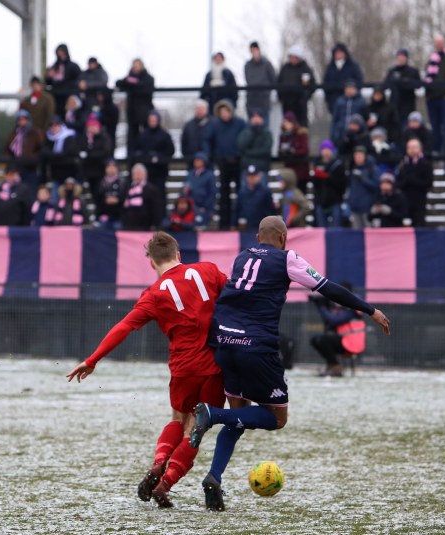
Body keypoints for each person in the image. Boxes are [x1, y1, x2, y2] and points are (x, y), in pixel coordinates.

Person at [189, 216, 390, 511]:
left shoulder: (242, 257)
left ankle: (214, 477)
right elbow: (328, 288)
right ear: (283, 237)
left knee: (240, 417)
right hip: (256, 348)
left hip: (225, 343)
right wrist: (369, 309)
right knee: (276, 419)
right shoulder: (288, 259)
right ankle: (212, 415)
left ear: (259, 237)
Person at [66, 232, 228, 508]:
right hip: (215, 366)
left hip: (183, 368)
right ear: (179, 254)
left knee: (178, 419)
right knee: (196, 429)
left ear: (152, 263)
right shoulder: (208, 270)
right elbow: (237, 295)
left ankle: (157, 465)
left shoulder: (153, 294)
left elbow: (124, 327)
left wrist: (92, 359)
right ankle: (166, 484)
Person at [201, 99, 246, 229]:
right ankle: (224, 223)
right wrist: (211, 156)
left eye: (226, 111)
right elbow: (207, 141)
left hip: (237, 162)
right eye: (222, 112)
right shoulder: (215, 125)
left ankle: (238, 220)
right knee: (224, 193)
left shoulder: (240, 123)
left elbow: (245, 139)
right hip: (222, 163)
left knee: (240, 192)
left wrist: (239, 154)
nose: (224, 114)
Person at [309, 281, 366, 377]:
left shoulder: (351, 307)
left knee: (323, 340)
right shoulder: (347, 306)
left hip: (351, 343)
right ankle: (332, 365)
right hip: (346, 341)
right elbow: (331, 322)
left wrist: (321, 306)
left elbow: (333, 320)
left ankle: (335, 366)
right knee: (316, 340)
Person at [132, 110, 175, 208]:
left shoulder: (164, 135)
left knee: (160, 195)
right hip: (145, 173)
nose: (152, 122)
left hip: (160, 172)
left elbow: (170, 151)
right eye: (150, 120)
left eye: (154, 120)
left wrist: (158, 156)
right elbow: (136, 151)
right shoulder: (142, 135)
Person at [116, 58, 154, 153]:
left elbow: (146, 89)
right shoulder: (129, 77)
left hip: (145, 112)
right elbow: (119, 83)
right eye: (134, 65)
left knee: (147, 136)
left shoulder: (148, 78)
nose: (136, 67)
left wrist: (132, 85)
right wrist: (131, 84)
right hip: (132, 112)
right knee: (132, 137)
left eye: (137, 65)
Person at [396, 138, 433, 227]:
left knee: (418, 224)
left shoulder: (426, 164)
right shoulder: (403, 164)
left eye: (414, 147)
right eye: (410, 147)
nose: (412, 150)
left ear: (420, 149)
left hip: (419, 201)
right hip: (405, 200)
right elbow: (399, 181)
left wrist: (412, 181)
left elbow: (428, 183)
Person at [4, 110, 43, 195]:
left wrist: (33, 158)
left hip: (30, 168)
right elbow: (7, 148)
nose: (22, 121)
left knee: (30, 191)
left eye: (24, 119)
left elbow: (40, 149)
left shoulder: (35, 133)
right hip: (17, 168)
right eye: (19, 119)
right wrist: (11, 161)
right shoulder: (14, 133)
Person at [276, 46, 316, 127]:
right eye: (291, 57)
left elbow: (311, 85)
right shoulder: (285, 68)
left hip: (300, 104)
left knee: (301, 126)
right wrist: (281, 97)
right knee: (287, 125)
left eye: (295, 57)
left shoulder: (305, 69)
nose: (293, 59)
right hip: (287, 103)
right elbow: (279, 83)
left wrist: (305, 97)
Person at [323, 43, 364, 117]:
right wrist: (328, 99)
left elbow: (359, 82)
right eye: (336, 53)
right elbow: (326, 84)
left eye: (340, 52)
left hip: (351, 102)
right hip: (334, 101)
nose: (338, 54)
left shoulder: (353, 66)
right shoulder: (330, 68)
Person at [312, 140, 347, 227]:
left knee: (336, 228)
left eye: (328, 149)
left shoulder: (338, 165)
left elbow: (342, 184)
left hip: (335, 200)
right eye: (324, 149)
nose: (326, 152)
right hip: (321, 200)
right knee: (321, 229)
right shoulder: (317, 164)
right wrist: (316, 176)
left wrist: (328, 177)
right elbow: (315, 185)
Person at [383, 48, 422, 125]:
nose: (400, 58)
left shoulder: (412, 71)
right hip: (394, 105)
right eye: (399, 56)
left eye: (403, 56)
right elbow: (386, 85)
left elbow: (418, 85)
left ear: (406, 58)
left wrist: (405, 82)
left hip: (408, 105)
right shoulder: (392, 71)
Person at [77, 117, 113, 199]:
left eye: (94, 126)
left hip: (100, 168)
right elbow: (80, 149)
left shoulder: (104, 137)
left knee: (98, 190)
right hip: (87, 169)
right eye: (90, 127)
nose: (92, 129)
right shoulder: (84, 138)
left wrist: (89, 155)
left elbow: (105, 151)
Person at [121, 163, 163, 230]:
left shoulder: (152, 189)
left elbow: (156, 209)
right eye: (136, 174)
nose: (138, 176)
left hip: (145, 225)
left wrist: (155, 224)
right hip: (129, 225)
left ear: (145, 175)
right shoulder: (127, 188)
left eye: (140, 173)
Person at [233, 165, 275, 230]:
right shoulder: (242, 192)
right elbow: (237, 209)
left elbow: (270, 210)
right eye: (249, 176)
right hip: (245, 227)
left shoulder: (265, 191)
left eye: (254, 176)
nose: (251, 178)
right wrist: (233, 223)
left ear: (259, 176)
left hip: (261, 228)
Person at [347, 146, 380, 229]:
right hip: (355, 207)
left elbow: (376, 186)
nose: (357, 158)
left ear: (365, 156)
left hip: (367, 208)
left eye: (360, 156)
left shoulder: (372, 169)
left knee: (369, 233)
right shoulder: (353, 169)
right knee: (356, 233)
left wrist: (363, 179)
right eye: (356, 156)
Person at [244, 42, 276, 123]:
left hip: (263, 102)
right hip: (251, 101)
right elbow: (247, 80)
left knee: (265, 128)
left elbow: (273, 80)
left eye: (255, 50)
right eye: (252, 51)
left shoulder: (267, 64)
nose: (254, 53)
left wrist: (266, 92)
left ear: (259, 50)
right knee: (250, 129)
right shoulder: (247, 65)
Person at [182, 152, 216, 228]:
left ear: (204, 162)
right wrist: (185, 191)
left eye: (198, 160)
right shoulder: (190, 174)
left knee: (202, 227)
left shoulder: (209, 175)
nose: (196, 162)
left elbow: (212, 192)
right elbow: (184, 187)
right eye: (195, 160)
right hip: (191, 207)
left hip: (204, 208)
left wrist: (205, 206)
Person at [44, 115, 79, 190]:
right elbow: (45, 152)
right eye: (51, 125)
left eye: (56, 125)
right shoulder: (48, 138)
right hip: (55, 172)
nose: (54, 127)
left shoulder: (70, 136)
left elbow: (67, 152)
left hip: (69, 171)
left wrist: (54, 156)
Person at [45, 44, 81, 114]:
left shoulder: (73, 66)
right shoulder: (53, 67)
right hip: (56, 94)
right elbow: (48, 82)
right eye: (59, 52)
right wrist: (49, 76)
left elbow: (78, 80)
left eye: (62, 51)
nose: (60, 54)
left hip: (69, 93)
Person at [278, 111, 310, 190]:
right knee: (289, 195)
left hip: (300, 172)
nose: (286, 124)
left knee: (300, 194)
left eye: (288, 122)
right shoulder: (283, 136)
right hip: (289, 171)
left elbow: (305, 149)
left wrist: (293, 151)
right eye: (285, 122)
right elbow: (280, 151)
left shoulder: (301, 134)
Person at [180, 100, 215, 168]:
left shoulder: (213, 124)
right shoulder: (189, 125)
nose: (199, 111)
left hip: (209, 162)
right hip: (192, 162)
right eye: (197, 109)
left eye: (201, 109)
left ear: (206, 109)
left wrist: (210, 156)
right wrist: (188, 157)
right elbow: (184, 142)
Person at [237, 109, 272, 174]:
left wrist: (249, 152)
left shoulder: (267, 133)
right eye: (254, 117)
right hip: (247, 166)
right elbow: (241, 146)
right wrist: (251, 133)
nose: (256, 119)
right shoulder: (245, 132)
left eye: (258, 117)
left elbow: (266, 150)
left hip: (262, 167)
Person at [95, 159, 126, 230]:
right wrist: (105, 200)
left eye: (113, 167)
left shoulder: (123, 182)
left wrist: (117, 200)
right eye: (109, 167)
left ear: (117, 168)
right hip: (104, 216)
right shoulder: (101, 183)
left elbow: (125, 197)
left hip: (118, 217)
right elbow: (97, 199)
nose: (111, 169)